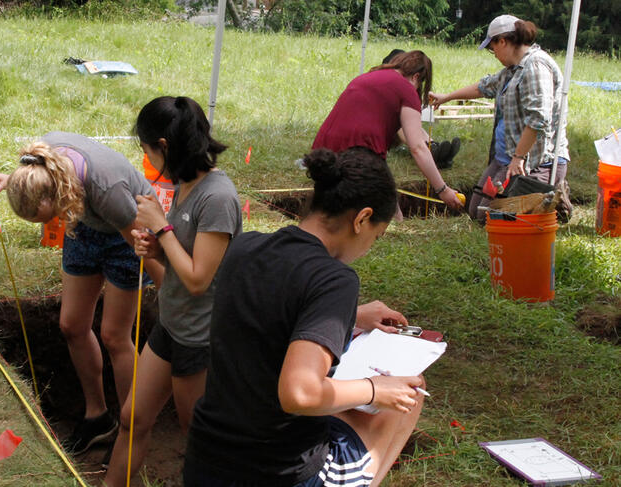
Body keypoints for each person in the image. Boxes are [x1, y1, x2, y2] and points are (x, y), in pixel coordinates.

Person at [184, 147, 424, 487]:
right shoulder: (334, 280)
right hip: (277, 474)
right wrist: (374, 390)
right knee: (409, 389)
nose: (371, 245)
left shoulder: (245, 248)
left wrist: (350, 317)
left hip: (207, 462)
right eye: (376, 235)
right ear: (361, 219)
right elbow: (299, 393)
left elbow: (266, 310)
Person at [0, 132, 164, 455]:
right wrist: (9, 180)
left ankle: (130, 429)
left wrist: (170, 290)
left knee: (114, 336)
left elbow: (141, 245)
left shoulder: (108, 191)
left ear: (58, 197)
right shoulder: (41, 163)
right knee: (72, 325)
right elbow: (34, 178)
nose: (47, 225)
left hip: (128, 233)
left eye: (46, 218)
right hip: (86, 225)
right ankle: (97, 417)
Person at [104, 96, 242, 487]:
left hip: (200, 339)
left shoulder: (217, 197)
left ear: (163, 146)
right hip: (171, 325)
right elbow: (182, 268)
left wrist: (162, 229)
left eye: (147, 150)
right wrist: (155, 248)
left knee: (196, 436)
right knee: (133, 418)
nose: (147, 160)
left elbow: (199, 279)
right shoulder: (186, 183)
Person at [430, 15, 571, 222]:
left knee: (489, 218)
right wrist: (447, 97)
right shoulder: (512, 70)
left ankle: (556, 203)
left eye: (492, 47)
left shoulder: (536, 67)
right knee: (476, 211)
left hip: (535, 162)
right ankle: (545, 202)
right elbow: (483, 86)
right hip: (507, 157)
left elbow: (538, 119)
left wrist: (519, 158)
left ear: (502, 41)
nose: (493, 54)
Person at [313, 50, 463, 211]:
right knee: (379, 207)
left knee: (336, 208)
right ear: (417, 77)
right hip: (357, 154)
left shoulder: (368, 76)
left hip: (319, 153)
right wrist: (443, 190)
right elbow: (418, 148)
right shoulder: (407, 90)